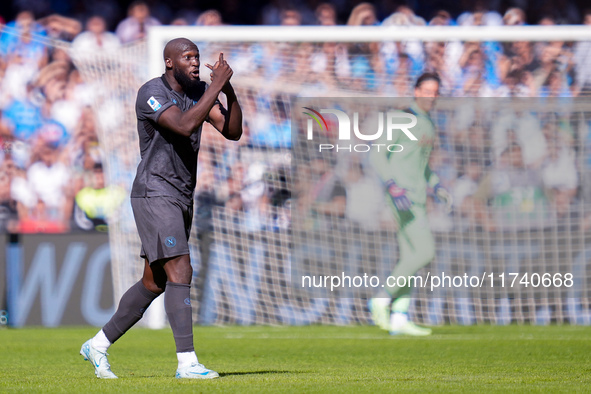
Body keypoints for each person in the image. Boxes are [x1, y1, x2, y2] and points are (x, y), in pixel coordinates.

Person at [80, 38, 243, 379]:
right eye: (188, 57)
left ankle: (97, 344)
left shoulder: (200, 90)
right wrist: (214, 87)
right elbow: (183, 125)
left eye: (197, 56)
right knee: (181, 270)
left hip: (181, 194)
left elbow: (233, 131)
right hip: (155, 191)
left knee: (154, 283)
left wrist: (228, 91)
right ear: (170, 62)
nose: (195, 63)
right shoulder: (150, 92)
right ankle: (188, 363)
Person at [368, 73, 451, 336]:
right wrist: (392, 185)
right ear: (416, 91)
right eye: (426, 90)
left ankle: (400, 317)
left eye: (434, 91)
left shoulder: (428, 124)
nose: (430, 96)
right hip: (402, 196)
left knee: (410, 257)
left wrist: (436, 185)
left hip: (417, 196)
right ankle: (382, 298)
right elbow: (378, 152)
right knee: (425, 252)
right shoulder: (402, 117)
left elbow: (422, 165)